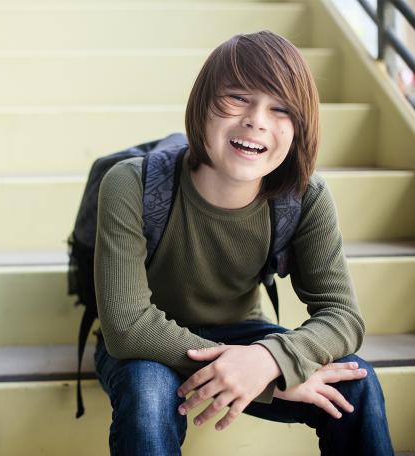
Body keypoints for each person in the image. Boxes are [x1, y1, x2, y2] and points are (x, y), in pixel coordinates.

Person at [92, 31, 394, 455]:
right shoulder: (132, 183)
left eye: (281, 109)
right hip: (148, 340)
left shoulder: (304, 196)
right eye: (237, 98)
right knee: (147, 392)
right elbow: (126, 326)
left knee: (354, 383)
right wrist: (254, 370)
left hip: (240, 331)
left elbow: (343, 315)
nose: (257, 120)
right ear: (201, 105)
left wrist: (268, 360)